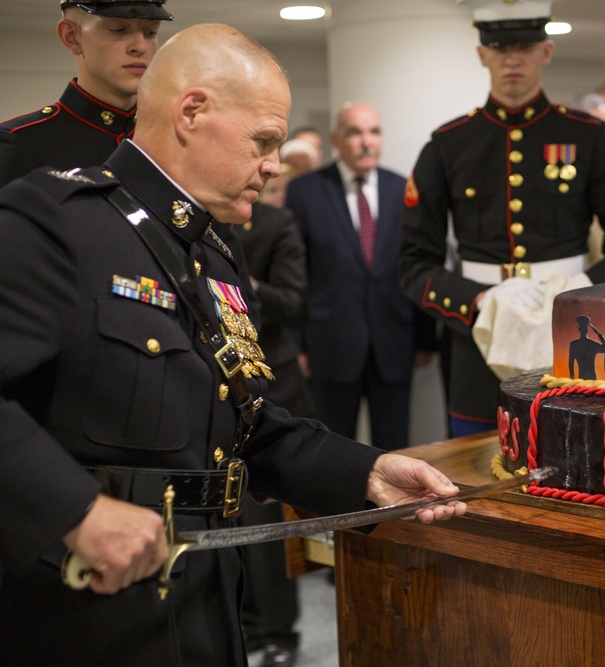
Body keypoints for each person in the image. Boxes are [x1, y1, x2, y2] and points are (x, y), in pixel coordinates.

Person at [0, 24, 465, 666]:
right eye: (263, 141)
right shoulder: (55, 220)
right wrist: (75, 511)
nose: (275, 164)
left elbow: (242, 425)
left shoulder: (214, 255)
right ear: (192, 112)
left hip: (206, 596)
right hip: (82, 607)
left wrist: (367, 472)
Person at [400, 0, 605, 437]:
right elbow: (414, 263)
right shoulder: (448, 145)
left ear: (546, 51)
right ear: (481, 55)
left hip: (573, 334)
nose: (512, 58)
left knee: (576, 457)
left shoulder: (588, 138)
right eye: (498, 47)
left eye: (526, 45)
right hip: (477, 338)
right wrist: (477, 302)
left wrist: (582, 293)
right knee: (474, 463)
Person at [286, 101, 434, 450]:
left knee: (396, 447)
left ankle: (392, 508)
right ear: (336, 140)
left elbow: (419, 264)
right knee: (332, 448)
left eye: (373, 132)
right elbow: (295, 273)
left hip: (394, 343)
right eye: (355, 133)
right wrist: (297, 345)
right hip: (329, 346)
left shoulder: (404, 190)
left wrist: (426, 339)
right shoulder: (305, 191)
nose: (366, 141)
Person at [230, 199, 314, 666]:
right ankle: (244, 624)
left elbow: (292, 303)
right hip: (214, 385)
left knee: (265, 521)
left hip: (270, 381)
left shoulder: (276, 223)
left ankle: (280, 632)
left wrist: (231, 282)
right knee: (227, 519)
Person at [0, 0, 171, 187]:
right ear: (71, 36)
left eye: (150, 32)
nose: (140, 47)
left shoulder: (176, 140)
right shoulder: (19, 144)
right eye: (119, 29)